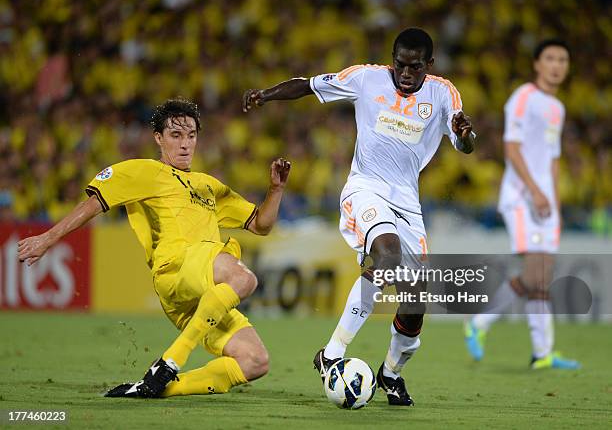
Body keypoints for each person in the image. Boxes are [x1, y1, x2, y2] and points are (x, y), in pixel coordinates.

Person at [243, 27, 474, 405]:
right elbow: (309, 84)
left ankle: (391, 374)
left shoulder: (443, 92)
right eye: (399, 64)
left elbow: (462, 139)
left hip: (407, 205)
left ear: (428, 66)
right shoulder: (366, 78)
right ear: (392, 60)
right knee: (387, 255)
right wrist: (265, 95)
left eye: (414, 67)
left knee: (415, 301)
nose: (405, 73)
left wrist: (466, 137)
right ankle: (331, 353)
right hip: (364, 188)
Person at [18, 98, 292, 397]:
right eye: (176, 136)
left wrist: (275, 190)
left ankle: (157, 387)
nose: (185, 144)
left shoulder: (207, 185)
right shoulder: (143, 172)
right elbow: (94, 203)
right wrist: (47, 238)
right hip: (177, 267)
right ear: (158, 139)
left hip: (198, 295)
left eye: (191, 135)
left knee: (255, 361)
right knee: (244, 278)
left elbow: (260, 225)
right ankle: (172, 359)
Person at [464, 39, 580, 369]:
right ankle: (480, 323)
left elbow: (554, 160)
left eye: (563, 59)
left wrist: (554, 202)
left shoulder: (557, 108)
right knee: (534, 273)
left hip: (545, 202)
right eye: (551, 58)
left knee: (541, 276)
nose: (557, 65)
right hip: (520, 197)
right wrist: (535, 191)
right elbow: (512, 149)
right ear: (537, 64)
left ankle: (542, 354)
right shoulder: (523, 97)